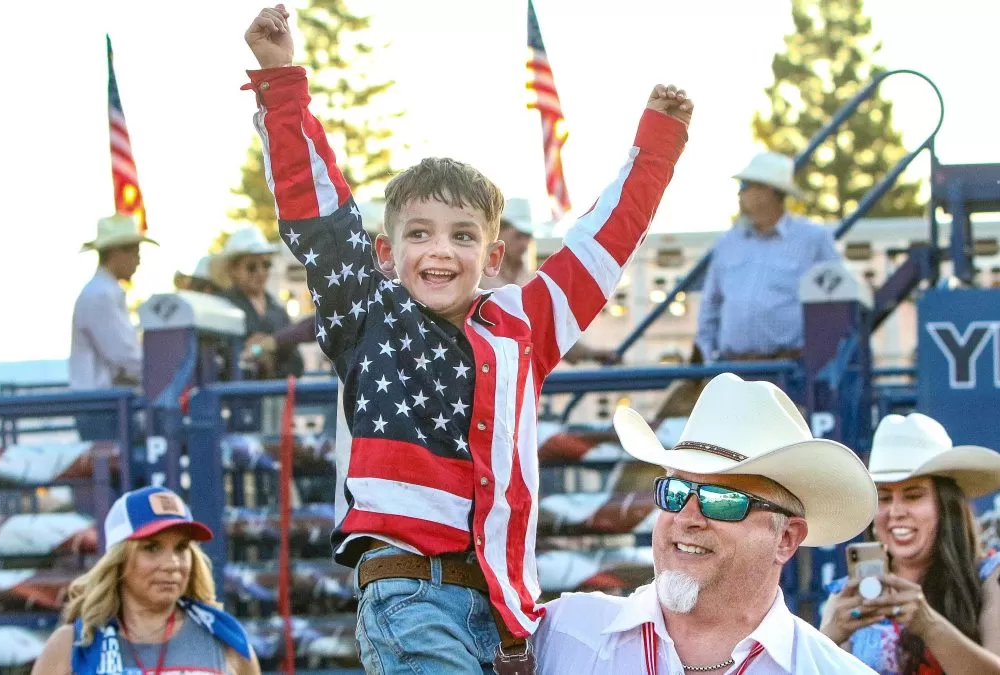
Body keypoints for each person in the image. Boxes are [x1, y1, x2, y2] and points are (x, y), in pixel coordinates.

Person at [242, 5, 691, 673]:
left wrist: (657, 141)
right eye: (417, 233)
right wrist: (282, 79)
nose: (439, 250)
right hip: (408, 595)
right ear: (386, 253)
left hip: (502, 605)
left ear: (494, 253)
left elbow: (605, 244)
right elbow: (318, 214)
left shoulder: (523, 325)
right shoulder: (367, 312)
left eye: (461, 235)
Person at [533, 372, 878, 673]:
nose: (687, 517)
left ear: (787, 538)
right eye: (675, 491)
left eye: (721, 501)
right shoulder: (559, 635)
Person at [819, 412, 1000, 674]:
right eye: (884, 498)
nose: (896, 512)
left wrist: (928, 626)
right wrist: (829, 637)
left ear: (946, 507)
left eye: (913, 496)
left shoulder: (989, 577)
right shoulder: (846, 596)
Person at [29, 486, 261, 675]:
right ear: (119, 559)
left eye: (181, 548)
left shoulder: (228, 643)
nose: (172, 564)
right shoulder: (70, 646)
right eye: (152, 547)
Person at [695, 151, 840, 363]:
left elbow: (835, 301)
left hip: (789, 369)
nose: (740, 195)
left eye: (745, 187)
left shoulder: (813, 239)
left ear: (768, 191)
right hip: (734, 367)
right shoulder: (727, 244)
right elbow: (711, 304)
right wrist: (706, 357)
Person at [481, 200, 622, 366]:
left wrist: (591, 354)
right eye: (519, 236)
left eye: (528, 237)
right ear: (498, 233)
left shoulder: (524, 279)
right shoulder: (479, 278)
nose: (525, 244)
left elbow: (547, 329)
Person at [70, 215, 155, 440]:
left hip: (103, 405)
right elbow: (125, 356)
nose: (138, 260)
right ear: (117, 253)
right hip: (102, 407)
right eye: (135, 251)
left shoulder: (103, 292)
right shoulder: (101, 295)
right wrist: (159, 374)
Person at [210, 226, 305, 380]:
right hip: (237, 399)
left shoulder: (277, 310)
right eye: (251, 267)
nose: (261, 272)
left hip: (277, 398)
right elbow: (217, 359)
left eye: (266, 265)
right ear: (233, 270)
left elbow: (297, 364)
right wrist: (258, 354)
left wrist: (266, 357)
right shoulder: (221, 307)